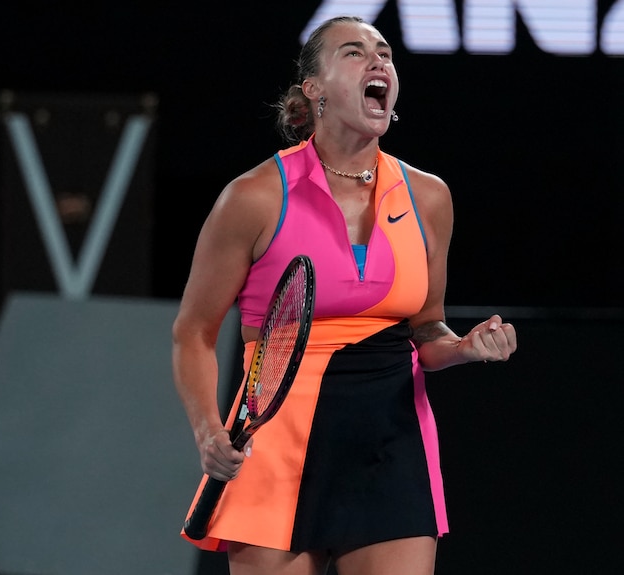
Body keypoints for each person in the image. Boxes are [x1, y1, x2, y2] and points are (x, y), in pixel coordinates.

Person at [171, 15, 518, 575]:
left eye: (384, 53)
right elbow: (193, 331)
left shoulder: (430, 197)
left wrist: (464, 348)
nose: (379, 63)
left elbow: (427, 329)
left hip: (393, 440)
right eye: (355, 53)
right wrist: (209, 430)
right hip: (276, 442)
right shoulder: (252, 198)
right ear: (314, 89)